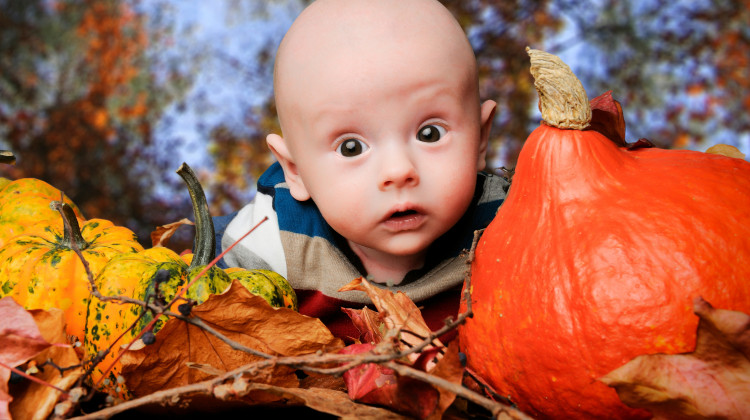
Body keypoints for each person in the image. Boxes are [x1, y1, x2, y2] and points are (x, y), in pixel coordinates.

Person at [213, 0, 509, 340]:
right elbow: (204, 305)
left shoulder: (509, 223)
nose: (398, 171)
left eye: (430, 133)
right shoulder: (272, 240)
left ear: (480, 140)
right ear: (295, 170)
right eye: (350, 147)